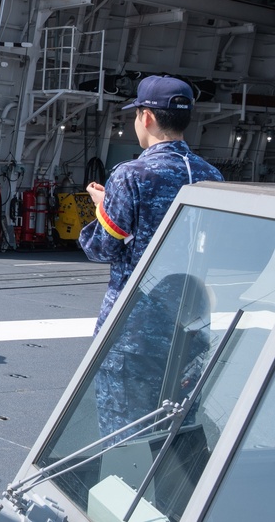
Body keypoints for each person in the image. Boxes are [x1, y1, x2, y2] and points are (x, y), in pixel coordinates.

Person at [78, 75, 223, 436]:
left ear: (146, 117)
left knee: (122, 438)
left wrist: (103, 208)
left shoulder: (131, 175)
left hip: (134, 332)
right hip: (190, 327)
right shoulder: (211, 175)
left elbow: (100, 247)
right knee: (175, 432)